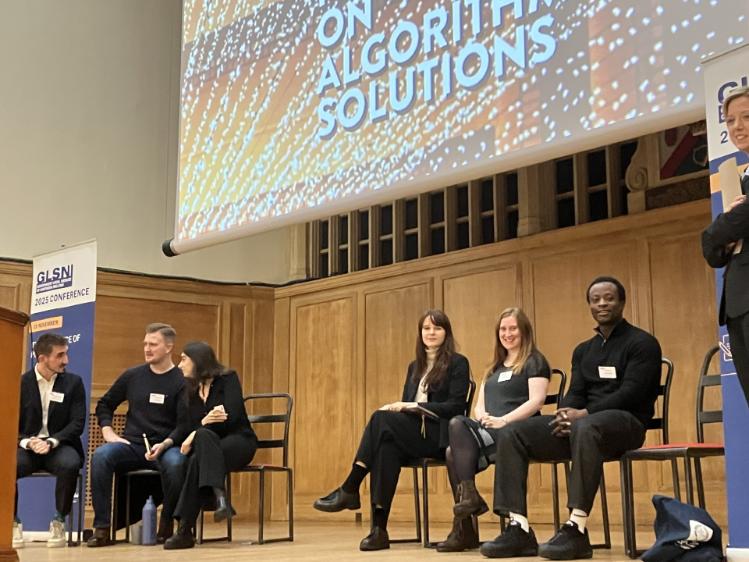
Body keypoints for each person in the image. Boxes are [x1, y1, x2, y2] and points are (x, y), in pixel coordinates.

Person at [479, 277, 662, 560]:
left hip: (627, 424)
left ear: (622, 302)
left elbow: (632, 393)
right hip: (584, 426)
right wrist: (564, 413)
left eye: (609, 298)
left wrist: (583, 414)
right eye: (596, 299)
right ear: (589, 305)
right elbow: (576, 392)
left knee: (586, 426)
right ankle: (518, 528)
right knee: (513, 432)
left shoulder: (642, 343)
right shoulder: (584, 350)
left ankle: (576, 528)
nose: (602, 304)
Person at [313, 309, 471, 551]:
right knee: (385, 447)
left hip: (439, 436)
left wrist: (414, 406)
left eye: (437, 328)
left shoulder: (458, 362)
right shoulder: (414, 367)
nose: (431, 332)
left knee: (380, 419)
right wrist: (405, 408)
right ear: (420, 333)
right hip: (413, 434)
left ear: (446, 333)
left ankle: (351, 486)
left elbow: (456, 407)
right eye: (426, 328)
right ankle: (379, 530)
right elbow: (404, 411)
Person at [436, 307, 550, 553]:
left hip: (517, 432)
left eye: (513, 328)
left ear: (524, 331)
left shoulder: (534, 361)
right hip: (491, 430)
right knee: (452, 447)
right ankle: (466, 514)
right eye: (503, 329)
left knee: (454, 438)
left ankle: (467, 516)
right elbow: (479, 406)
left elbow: (537, 401)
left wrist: (504, 421)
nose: (507, 334)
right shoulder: (494, 368)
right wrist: (483, 417)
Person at [87, 323, 186, 547]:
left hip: (166, 446)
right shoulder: (133, 376)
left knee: (177, 464)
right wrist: (107, 430)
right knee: (101, 456)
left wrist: (166, 443)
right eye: (145, 344)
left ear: (169, 347)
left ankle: (167, 525)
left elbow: (184, 424)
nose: (147, 349)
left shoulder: (181, 380)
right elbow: (105, 404)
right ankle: (102, 529)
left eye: (153, 344)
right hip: (132, 445)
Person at [164, 341, 257, 550]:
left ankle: (185, 530)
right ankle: (220, 497)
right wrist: (203, 425)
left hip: (239, 441)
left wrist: (196, 433)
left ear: (198, 360)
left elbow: (232, 417)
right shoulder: (190, 390)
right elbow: (189, 425)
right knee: (199, 453)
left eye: (184, 359)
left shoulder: (228, 379)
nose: (179, 365)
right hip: (208, 448)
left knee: (200, 451)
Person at [15, 333, 86, 549]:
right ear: (42, 358)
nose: (66, 360)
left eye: (66, 354)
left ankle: (59, 521)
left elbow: (77, 423)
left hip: (59, 444)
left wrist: (52, 441)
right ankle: (11, 522)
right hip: (27, 446)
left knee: (70, 464)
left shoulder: (73, 383)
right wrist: (27, 442)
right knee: (6, 466)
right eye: (60, 355)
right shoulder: (20, 383)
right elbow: (8, 423)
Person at [702, 84, 749, 406]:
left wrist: (714, 232)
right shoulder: (742, 177)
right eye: (730, 120)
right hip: (738, 304)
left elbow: (717, 236)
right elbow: (714, 255)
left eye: (746, 117)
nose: (737, 127)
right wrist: (720, 232)